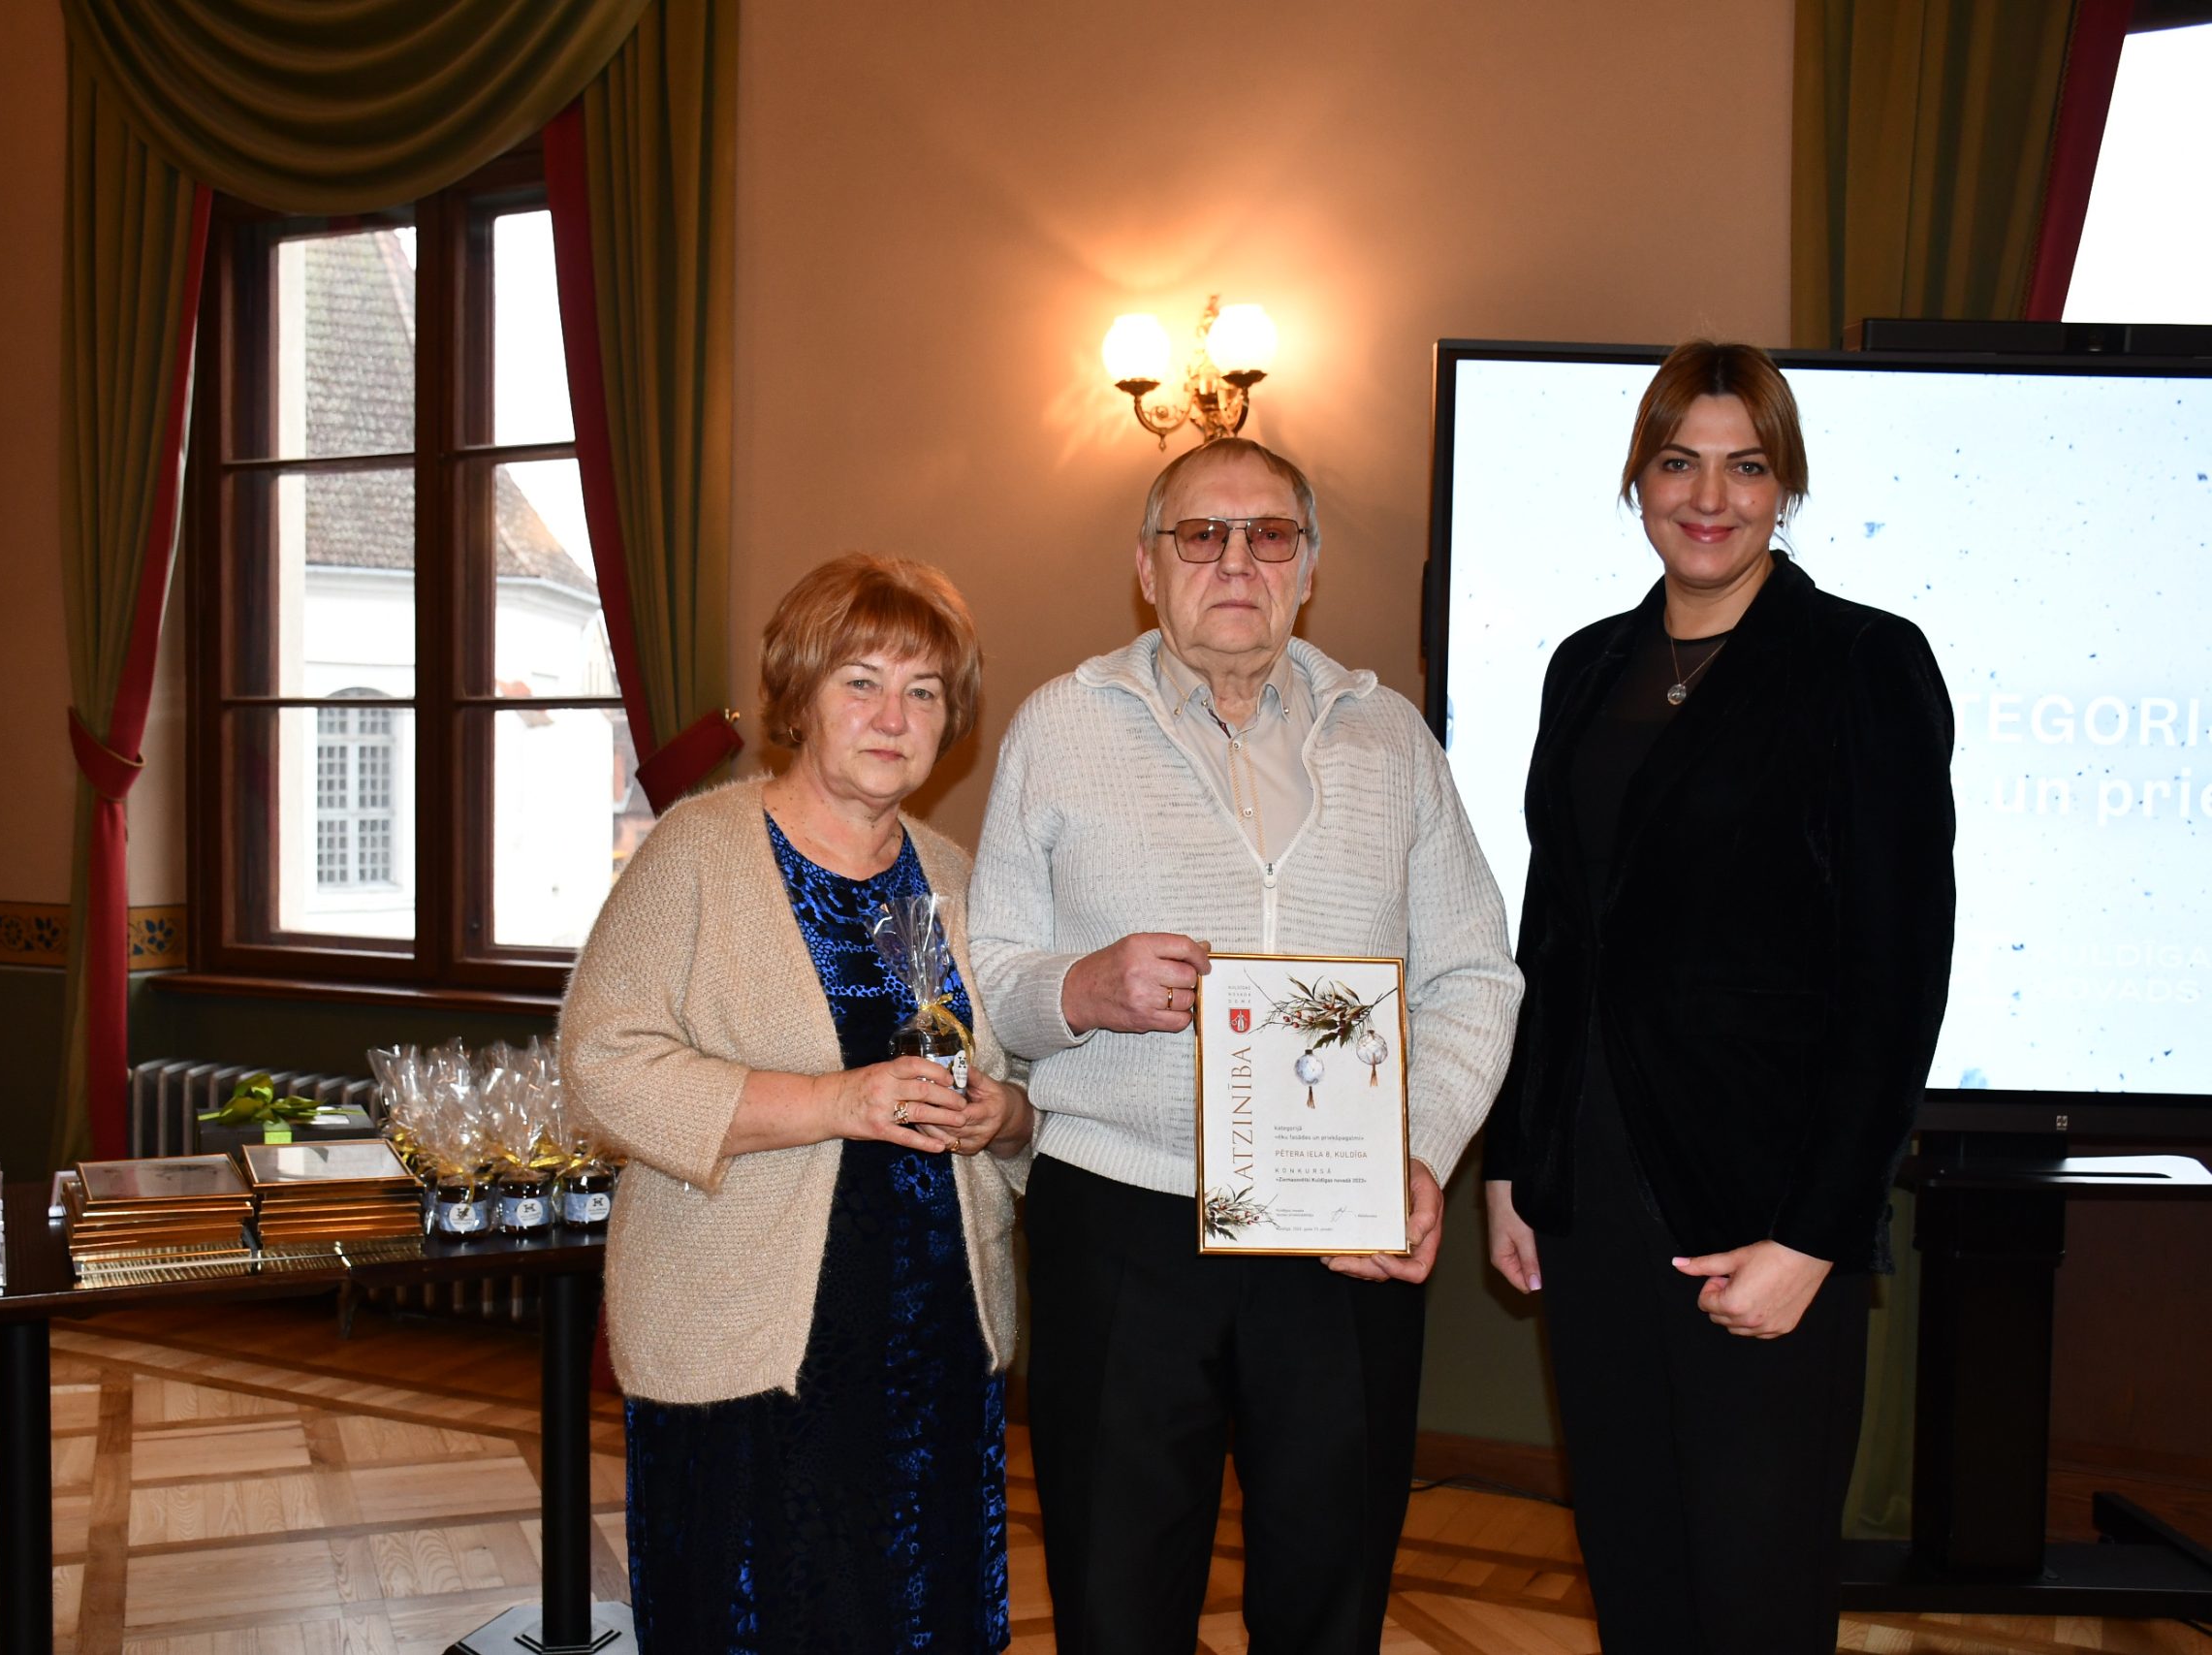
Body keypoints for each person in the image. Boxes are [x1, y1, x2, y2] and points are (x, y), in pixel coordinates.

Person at [968, 437, 1523, 1653]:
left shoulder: (1393, 743)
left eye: (1268, 534)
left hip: (1338, 1227)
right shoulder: (1059, 726)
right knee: (1116, 1603)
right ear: (1146, 567)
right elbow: (990, 972)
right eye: (1200, 534)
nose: (1235, 561)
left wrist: (1419, 1152)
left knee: (1329, 1603)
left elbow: (1476, 974)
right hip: (1118, 1220)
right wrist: (1081, 987)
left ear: (1307, 568)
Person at [1480, 340, 1956, 1652]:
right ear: (1637, 479)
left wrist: (1816, 1234)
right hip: (1587, 1198)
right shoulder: (1586, 665)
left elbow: (1897, 973)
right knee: (1633, 1567)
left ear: (1785, 486)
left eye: (1746, 466)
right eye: (1678, 462)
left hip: (1761, 1209)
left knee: (1756, 1591)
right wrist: (1514, 1160)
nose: (1709, 496)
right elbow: (1554, 936)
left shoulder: (1861, 662)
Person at [561, 553, 1034, 1654]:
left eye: (924, 692)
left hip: (930, 1342)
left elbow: (1005, 1080)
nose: (893, 717)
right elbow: (602, 1063)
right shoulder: (701, 849)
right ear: (800, 695)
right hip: (751, 1335)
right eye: (860, 682)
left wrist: (1003, 1115)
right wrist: (834, 1102)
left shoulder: (946, 875)